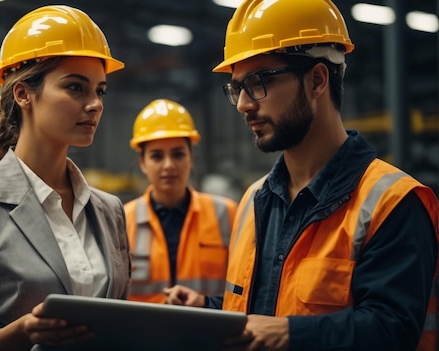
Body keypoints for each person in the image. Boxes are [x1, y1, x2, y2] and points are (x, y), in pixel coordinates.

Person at [164, 0, 439, 350]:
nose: (243, 104)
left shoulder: (392, 202)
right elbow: (267, 308)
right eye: (237, 88)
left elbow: (393, 328)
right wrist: (207, 307)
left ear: (317, 80)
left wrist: (292, 334)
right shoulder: (254, 200)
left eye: (258, 81)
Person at [0, 5, 130, 351]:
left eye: (100, 90)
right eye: (76, 87)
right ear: (23, 94)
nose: (95, 104)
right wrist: (16, 335)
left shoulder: (110, 211)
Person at [124, 98, 237, 304]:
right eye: (157, 156)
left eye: (178, 154)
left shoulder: (226, 214)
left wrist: (206, 303)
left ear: (191, 157)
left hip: (210, 331)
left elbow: (243, 291)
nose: (168, 165)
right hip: (143, 334)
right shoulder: (122, 220)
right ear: (142, 163)